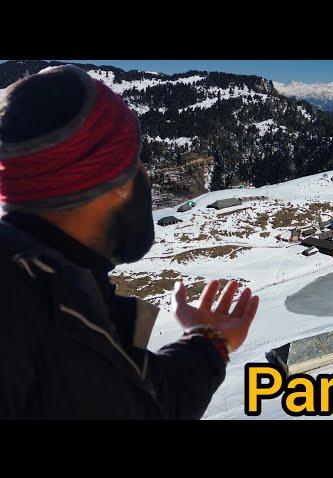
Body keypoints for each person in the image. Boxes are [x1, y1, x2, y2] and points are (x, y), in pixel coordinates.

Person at [0, 64, 259, 419]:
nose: (145, 175)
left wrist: (210, 342)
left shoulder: (52, 289)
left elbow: (140, 400)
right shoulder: (51, 323)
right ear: (108, 183)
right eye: (133, 162)